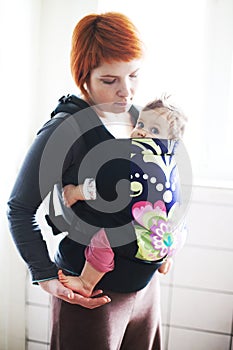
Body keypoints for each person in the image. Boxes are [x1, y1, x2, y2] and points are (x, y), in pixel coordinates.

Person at [7, 12, 180, 350]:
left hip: (146, 290)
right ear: (84, 78)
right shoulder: (65, 130)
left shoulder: (140, 119)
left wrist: (165, 244)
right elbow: (19, 207)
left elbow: (160, 185)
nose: (126, 91)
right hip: (93, 293)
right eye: (110, 80)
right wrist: (44, 276)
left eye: (133, 74)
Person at [58, 95, 187, 297]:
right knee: (176, 225)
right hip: (169, 238)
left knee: (104, 239)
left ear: (171, 141)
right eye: (141, 124)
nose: (142, 132)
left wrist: (75, 192)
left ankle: (86, 282)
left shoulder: (132, 157)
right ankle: (164, 261)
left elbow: (103, 187)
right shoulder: (172, 164)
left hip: (143, 237)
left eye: (154, 130)